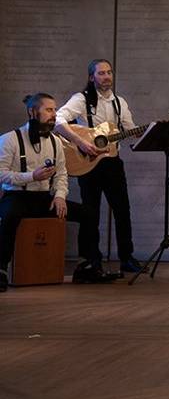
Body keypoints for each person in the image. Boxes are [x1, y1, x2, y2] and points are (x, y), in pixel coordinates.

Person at [0, 93, 110, 291]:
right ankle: (0, 269)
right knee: (9, 215)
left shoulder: (56, 142)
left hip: (44, 199)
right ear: (33, 112)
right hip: (16, 196)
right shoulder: (9, 140)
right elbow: (1, 175)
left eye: (55, 110)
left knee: (89, 213)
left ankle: (86, 266)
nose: (54, 114)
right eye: (49, 110)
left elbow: (61, 175)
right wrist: (31, 176)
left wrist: (60, 196)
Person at [55, 59, 142, 273]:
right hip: (89, 163)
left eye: (109, 72)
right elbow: (58, 119)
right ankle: (91, 258)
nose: (106, 76)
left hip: (112, 163)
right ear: (91, 77)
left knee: (123, 210)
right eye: (101, 73)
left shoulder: (119, 102)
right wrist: (81, 142)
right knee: (90, 212)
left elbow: (130, 129)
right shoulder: (81, 99)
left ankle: (126, 257)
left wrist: (143, 132)